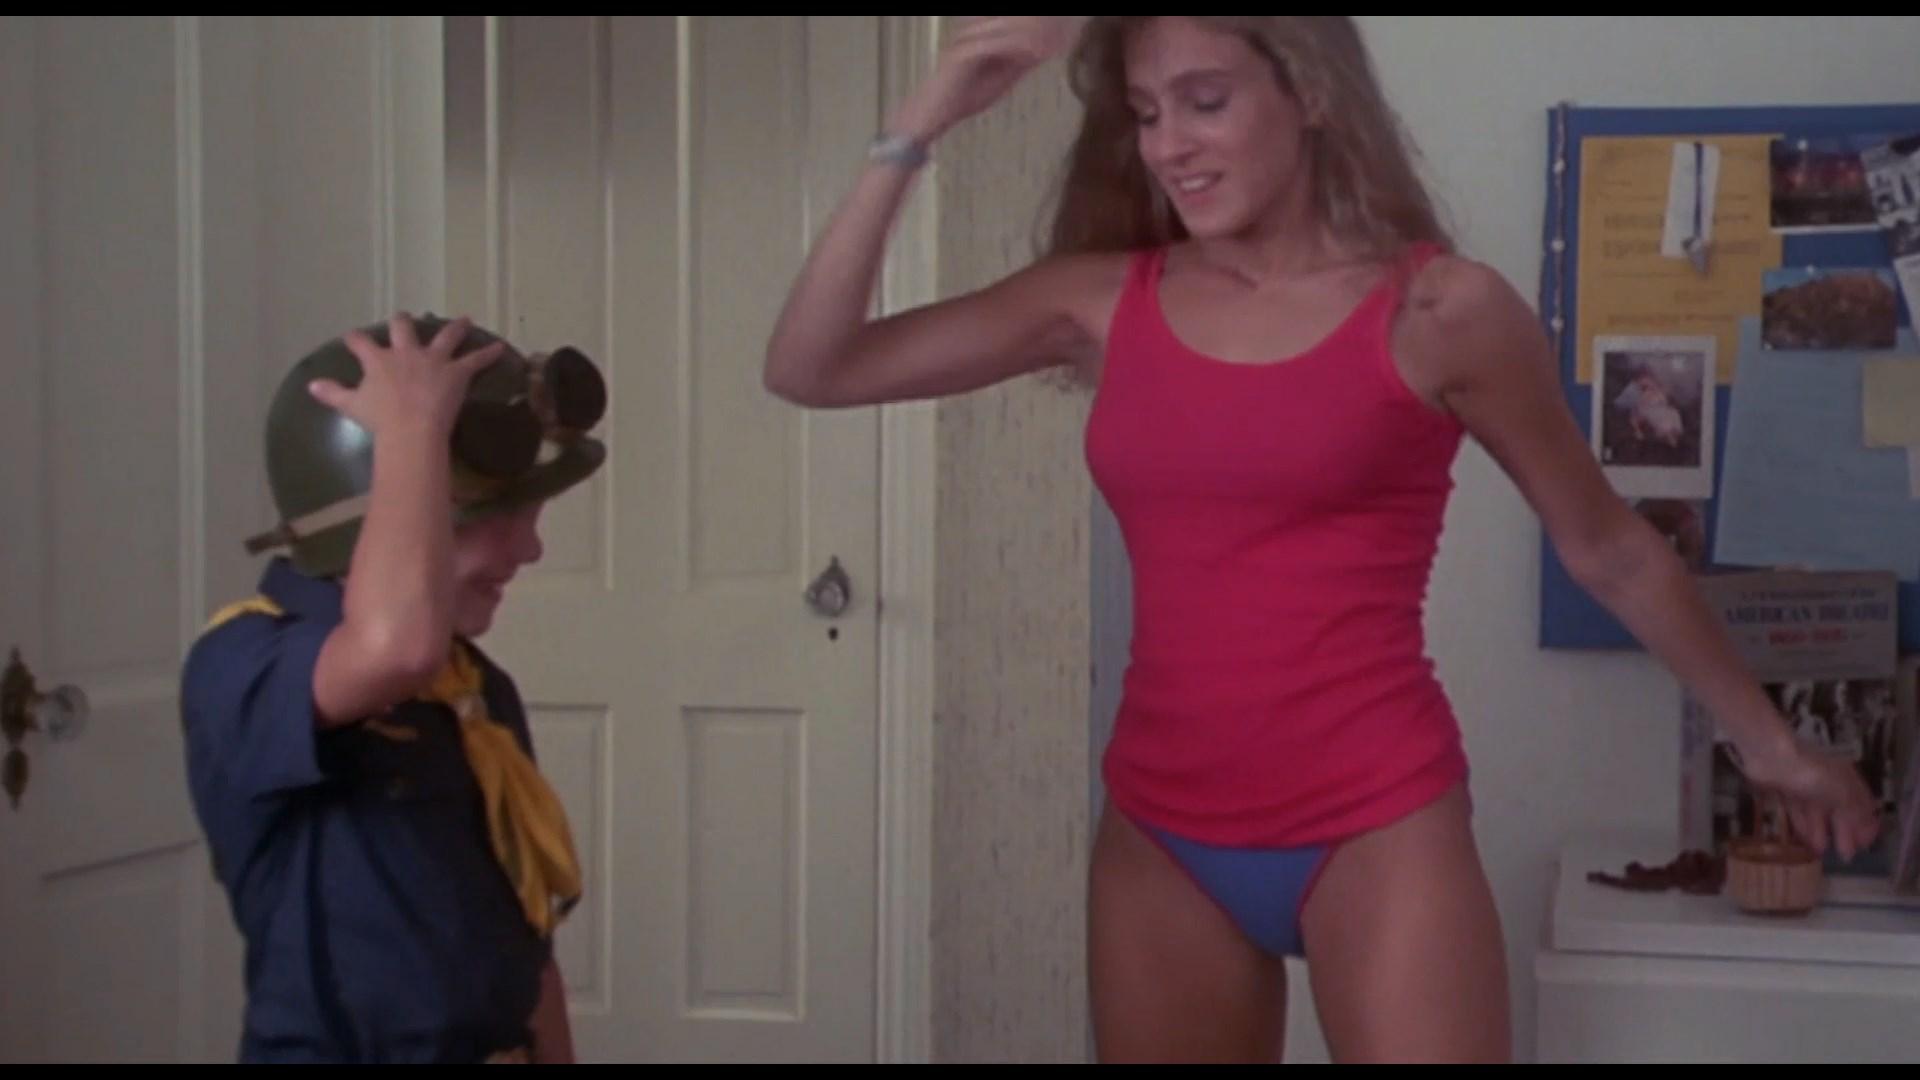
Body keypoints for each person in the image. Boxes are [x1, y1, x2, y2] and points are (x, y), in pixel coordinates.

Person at [762, 15, 1880, 1063]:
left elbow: (1612, 550)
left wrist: (1771, 746)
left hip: (1374, 824)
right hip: (1160, 834)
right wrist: (918, 124)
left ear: (1308, 92)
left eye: (1205, 102)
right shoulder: (1101, 299)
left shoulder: (1440, 312)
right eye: (1145, 114)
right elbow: (812, 367)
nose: (1168, 146)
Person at [180, 313, 608, 1063]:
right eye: (499, 518)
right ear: (376, 517)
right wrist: (413, 435)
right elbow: (394, 648)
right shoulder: (245, 660)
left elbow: (525, 932)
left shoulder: (473, 687)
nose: (530, 547)